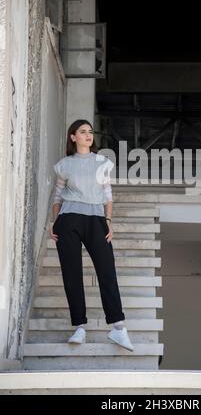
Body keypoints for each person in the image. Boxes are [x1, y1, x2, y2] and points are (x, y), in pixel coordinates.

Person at [49, 119, 134, 351]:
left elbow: (108, 196)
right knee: (72, 274)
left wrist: (109, 221)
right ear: (73, 137)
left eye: (90, 132)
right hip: (68, 221)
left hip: (97, 220)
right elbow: (57, 198)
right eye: (82, 132)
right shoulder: (64, 165)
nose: (88, 135)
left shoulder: (102, 162)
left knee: (107, 271)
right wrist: (53, 223)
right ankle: (79, 327)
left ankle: (118, 328)